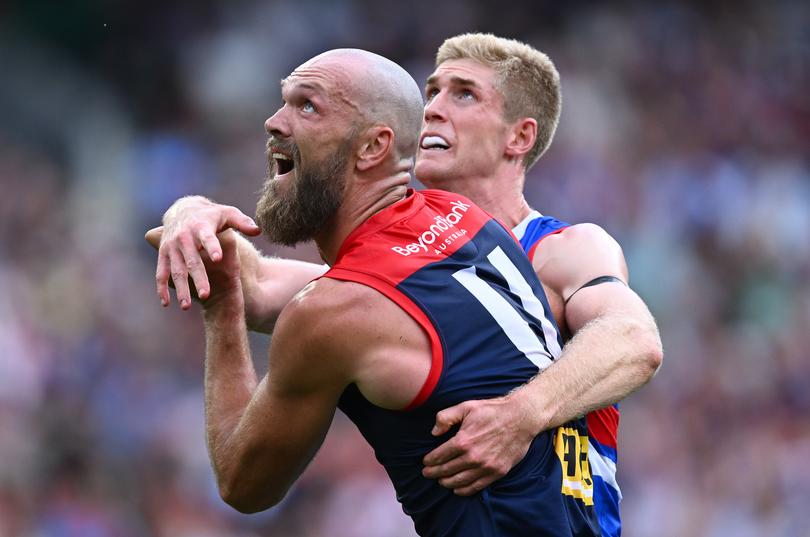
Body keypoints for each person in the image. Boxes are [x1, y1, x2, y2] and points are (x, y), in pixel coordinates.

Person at [148, 34, 662, 537]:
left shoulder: (564, 248)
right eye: (431, 91)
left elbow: (635, 339)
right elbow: (254, 285)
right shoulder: (450, 233)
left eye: (463, 94)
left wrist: (521, 413)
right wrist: (188, 210)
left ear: (519, 137)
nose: (433, 109)